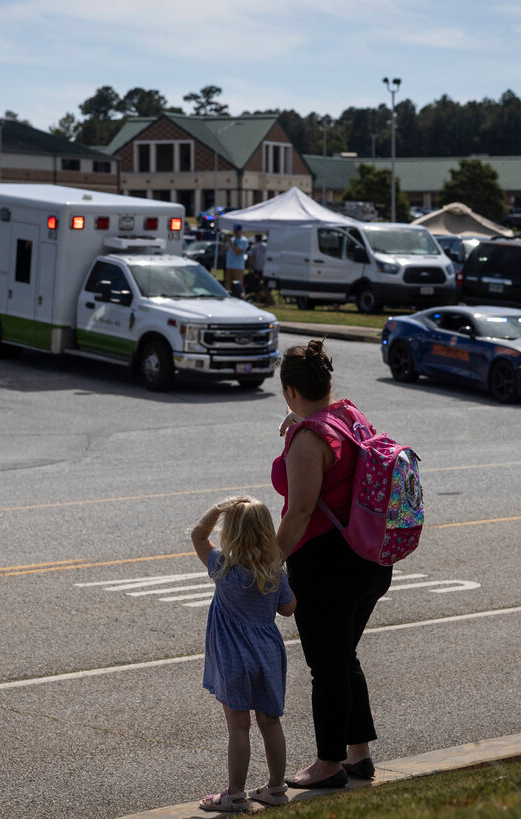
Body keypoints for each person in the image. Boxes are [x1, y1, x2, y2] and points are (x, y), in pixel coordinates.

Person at [272, 339, 393, 790]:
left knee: (326, 667)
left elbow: (300, 512)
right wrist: (299, 422)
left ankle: (328, 764)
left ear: (289, 390)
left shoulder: (309, 439)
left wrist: (270, 564)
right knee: (343, 657)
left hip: (327, 568)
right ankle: (358, 754)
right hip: (370, 560)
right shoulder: (348, 415)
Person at [191, 496, 297, 812]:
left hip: (233, 657)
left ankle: (236, 793)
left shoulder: (222, 566)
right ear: (267, 531)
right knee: (270, 722)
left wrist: (218, 508)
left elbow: (197, 535)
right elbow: (289, 609)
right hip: (267, 654)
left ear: (231, 533)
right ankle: (277, 788)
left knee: (239, 727)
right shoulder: (274, 572)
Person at [244, 233, 272, 305]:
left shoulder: (254, 246)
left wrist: (250, 268)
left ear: (256, 239)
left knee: (256, 284)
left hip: (257, 269)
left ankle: (258, 299)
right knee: (265, 284)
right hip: (266, 269)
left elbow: (251, 258)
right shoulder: (267, 246)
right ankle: (267, 298)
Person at [222, 224, 249, 297]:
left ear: (241, 231)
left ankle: (241, 297)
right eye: (235, 231)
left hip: (238, 266)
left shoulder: (243, 240)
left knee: (238, 285)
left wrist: (230, 243)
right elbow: (223, 249)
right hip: (229, 265)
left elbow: (238, 252)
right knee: (228, 285)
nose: (236, 233)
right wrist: (224, 241)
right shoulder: (232, 239)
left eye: (237, 231)